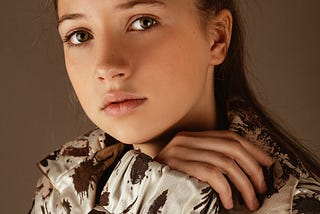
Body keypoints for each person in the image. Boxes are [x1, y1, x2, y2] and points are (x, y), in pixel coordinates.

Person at [29, 0, 320, 213]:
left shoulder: (292, 204)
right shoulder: (65, 183)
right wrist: (148, 191)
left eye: (143, 22)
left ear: (217, 38)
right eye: (80, 35)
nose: (106, 66)